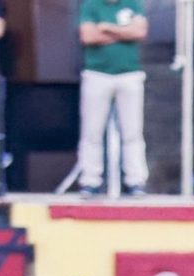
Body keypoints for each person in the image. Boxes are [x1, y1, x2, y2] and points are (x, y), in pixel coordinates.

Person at [76, 0, 149, 197]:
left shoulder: (132, 3)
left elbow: (140, 32)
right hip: (96, 74)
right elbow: (88, 36)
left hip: (129, 74)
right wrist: (124, 33)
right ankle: (90, 180)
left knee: (132, 131)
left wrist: (107, 28)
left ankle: (135, 181)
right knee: (92, 131)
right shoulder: (90, 5)